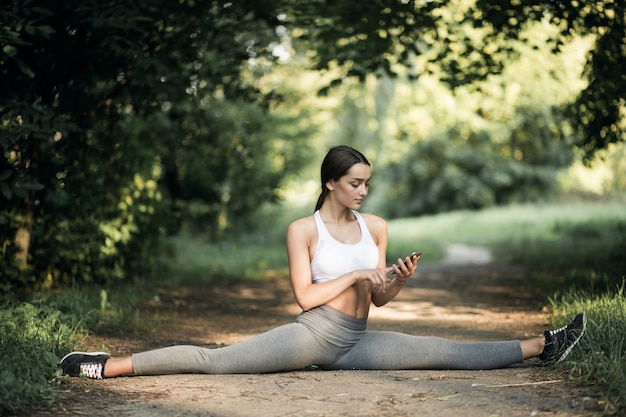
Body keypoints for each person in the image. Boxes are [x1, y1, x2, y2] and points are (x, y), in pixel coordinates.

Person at [58, 145, 586, 380]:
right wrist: (357, 272)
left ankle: (546, 345)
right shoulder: (301, 230)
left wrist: (396, 281)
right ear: (330, 182)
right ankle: (103, 365)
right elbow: (306, 299)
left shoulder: (375, 227)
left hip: (359, 341)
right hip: (314, 334)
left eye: (367, 184)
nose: (362, 191)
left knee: (444, 350)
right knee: (215, 362)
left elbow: (377, 298)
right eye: (354, 182)